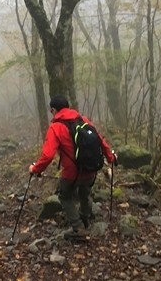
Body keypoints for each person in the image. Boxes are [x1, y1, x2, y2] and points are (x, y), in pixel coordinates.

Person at [29, 94, 116, 239]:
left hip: (71, 173)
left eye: (51, 111)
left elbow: (47, 156)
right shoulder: (84, 120)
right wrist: (111, 158)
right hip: (90, 169)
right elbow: (101, 141)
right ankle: (85, 218)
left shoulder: (55, 127)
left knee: (65, 196)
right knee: (84, 193)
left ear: (54, 110)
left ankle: (78, 228)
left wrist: (35, 169)